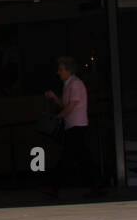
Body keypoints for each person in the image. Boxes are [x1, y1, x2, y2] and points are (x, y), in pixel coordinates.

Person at [44, 54, 102, 198]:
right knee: (82, 158)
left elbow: (71, 106)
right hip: (74, 125)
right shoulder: (69, 84)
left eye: (61, 70)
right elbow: (67, 105)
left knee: (69, 157)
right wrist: (55, 99)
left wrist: (58, 116)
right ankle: (96, 185)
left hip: (76, 125)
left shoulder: (75, 84)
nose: (59, 72)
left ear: (69, 70)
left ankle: (55, 187)